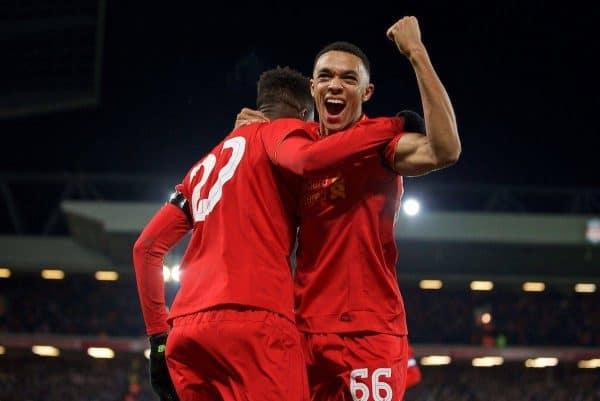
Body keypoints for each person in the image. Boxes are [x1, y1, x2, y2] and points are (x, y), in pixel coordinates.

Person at [133, 66, 409, 401]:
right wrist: (396, 125)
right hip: (255, 322)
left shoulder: (202, 167)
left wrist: (158, 339)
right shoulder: (280, 134)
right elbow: (308, 159)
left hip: (186, 334)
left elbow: (146, 247)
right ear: (302, 114)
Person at [236, 16, 460, 401]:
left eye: (348, 79)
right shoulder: (294, 147)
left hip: (368, 333)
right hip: (303, 332)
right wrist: (244, 138)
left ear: (367, 92)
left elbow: (446, 149)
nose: (335, 85)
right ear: (312, 87)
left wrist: (416, 53)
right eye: (325, 77)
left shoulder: (381, 147)